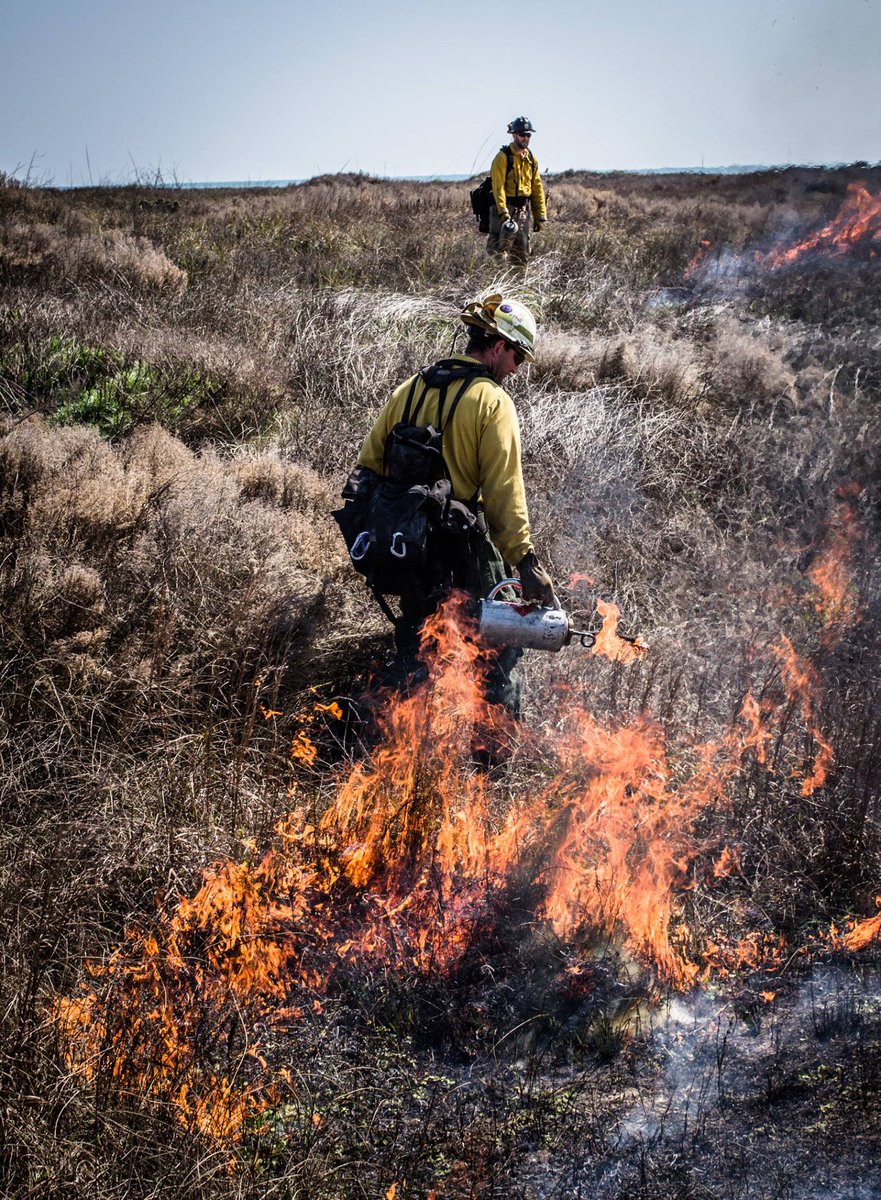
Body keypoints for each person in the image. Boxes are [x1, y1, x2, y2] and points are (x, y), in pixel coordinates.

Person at [351, 293, 556, 718]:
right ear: (498, 346)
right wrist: (525, 562)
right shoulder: (492, 402)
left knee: (418, 646)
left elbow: (368, 466)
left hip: (404, 548)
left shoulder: (410, 388)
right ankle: (493, 762)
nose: (516, 368)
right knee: (498, 653)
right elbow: (503, 492)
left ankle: (388, 735)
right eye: (517, 356)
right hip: (460, 553)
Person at [487, 117, 548, 263]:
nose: (525, 138)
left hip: (523, 212)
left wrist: (539, 215)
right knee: (498, 251)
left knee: (521, 254)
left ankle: (518, 283)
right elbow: (498, 187)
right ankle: (496, 283)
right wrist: (503, 212)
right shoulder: (502, 157)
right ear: (514, 135)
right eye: (522, 134)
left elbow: (537, 187)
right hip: (504, 208)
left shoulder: (531, 159)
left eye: (528, 135)